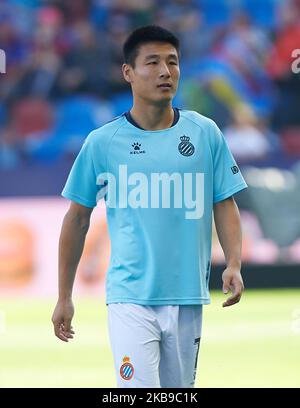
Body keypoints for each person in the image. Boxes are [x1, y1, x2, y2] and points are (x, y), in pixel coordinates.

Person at [51, 25, 247, 388]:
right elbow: (76, 219)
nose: (165, 71)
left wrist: (234, 262)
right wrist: (64, 296)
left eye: (172, 62)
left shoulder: (205, 133)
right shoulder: (102, 143)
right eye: (153, 62)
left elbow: (225, 201)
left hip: (188, 296)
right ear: (128, 72)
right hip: (130, 299)